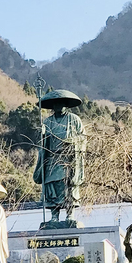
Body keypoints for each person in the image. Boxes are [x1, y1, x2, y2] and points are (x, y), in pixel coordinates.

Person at [32, 89, 86, 221]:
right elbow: (42, 143)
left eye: (60, 103)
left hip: (68, 158)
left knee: (68, 185)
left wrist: (73, 141)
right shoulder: (47, 122)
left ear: (66, 105)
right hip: (52, 158)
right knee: (52, 186)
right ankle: (54, 216)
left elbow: (82, 137)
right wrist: (42, 134)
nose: (58, 106)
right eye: (55, 104)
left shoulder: (74, 119)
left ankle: (70, 214)